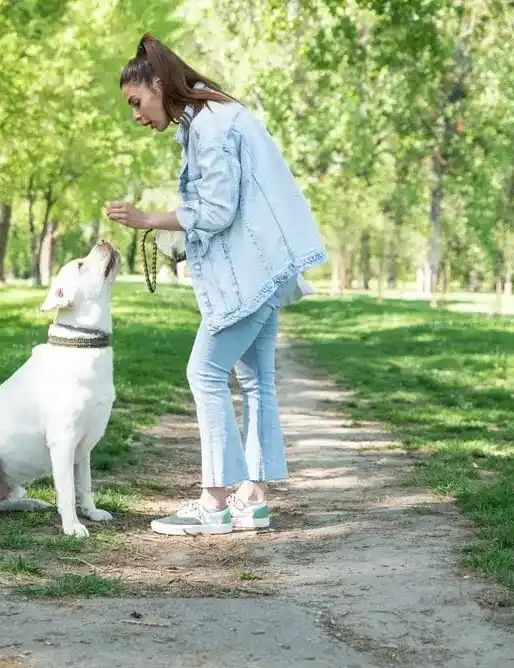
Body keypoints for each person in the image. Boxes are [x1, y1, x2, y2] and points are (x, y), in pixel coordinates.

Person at [106, 33, 327, 536]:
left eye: (136, 102)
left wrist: (149, 219)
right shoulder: (218, 115)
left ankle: (215, 503)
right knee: (255, 381)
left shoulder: (209, 125)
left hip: (250, 273)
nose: (136, 116)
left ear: (159, 84)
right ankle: (253, 499)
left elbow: (218, 210)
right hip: (268, 268)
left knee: (204, 373)